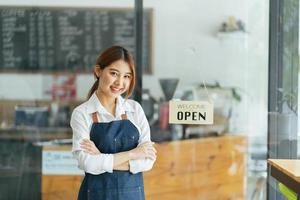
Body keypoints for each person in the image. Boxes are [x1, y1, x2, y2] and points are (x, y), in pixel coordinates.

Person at [70, 46, 157, 200]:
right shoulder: (82, 114)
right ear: (98, 71)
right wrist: (133, 154)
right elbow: (87, 163)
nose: (120, 82)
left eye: (127, 76)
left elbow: (148, 161)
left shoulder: (135, 110)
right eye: (114, 73)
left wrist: (101, 157)